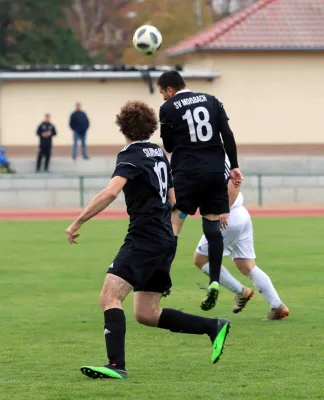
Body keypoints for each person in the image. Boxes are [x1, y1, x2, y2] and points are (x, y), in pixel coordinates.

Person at [65, 101, 231, 380]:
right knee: (146, 312)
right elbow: (174, 198)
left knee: (109, 296)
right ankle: (213, 326)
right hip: (164, 237)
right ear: (150, 127)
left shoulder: (130, 155)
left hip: (145, 236)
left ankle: (116, 365)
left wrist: (78, 221)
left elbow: (110, 192)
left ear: (123, 127)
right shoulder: (157, 153)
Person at [158, 70, 243, 311]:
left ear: (170, 90)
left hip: (187, 173)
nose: (163, 97)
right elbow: (227, 134)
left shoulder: (168, 108)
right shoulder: (212, 100)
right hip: (215, 172)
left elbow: (169, 145)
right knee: (212, 226)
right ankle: (215, 281)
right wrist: (234, 166)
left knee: (174, 223)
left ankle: (162, 278)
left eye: (162, 93)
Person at [193, 156, 289, 321]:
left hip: (227, 217)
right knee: (246, 265)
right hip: (240, 214)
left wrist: (224, 209)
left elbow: (232, 184)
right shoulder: (217, 153)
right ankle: (277, 305)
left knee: (200, 259)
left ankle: (241, 291)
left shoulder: (210, 156)